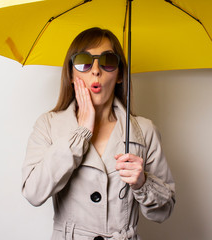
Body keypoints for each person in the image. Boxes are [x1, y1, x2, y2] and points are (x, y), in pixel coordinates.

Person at [21, 27, 175, 240]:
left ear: (120, 74)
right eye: (84, 61)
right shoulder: (48, 125)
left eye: (108, 61)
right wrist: (81, 133)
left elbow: (163, 212)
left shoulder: (144, 131)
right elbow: (34, 193)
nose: (95, 70)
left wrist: (142, 182)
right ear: (71, 74)